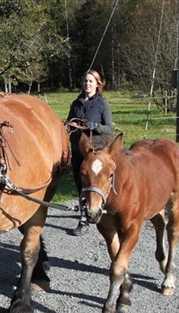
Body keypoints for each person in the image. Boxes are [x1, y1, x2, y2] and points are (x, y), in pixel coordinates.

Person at [66, 70, 114, 236]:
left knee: (96, 185)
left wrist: (96, 126)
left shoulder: (102, 104)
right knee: (81, 185)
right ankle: (84, 218)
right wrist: (68, 126)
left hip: (96, 152)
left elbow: (109, 128)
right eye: (85, 81)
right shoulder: (76, 103)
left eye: (91, 81)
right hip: (79, 150)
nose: (87, 84)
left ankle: (99, 212)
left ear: (97, 84)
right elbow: (70, 123)